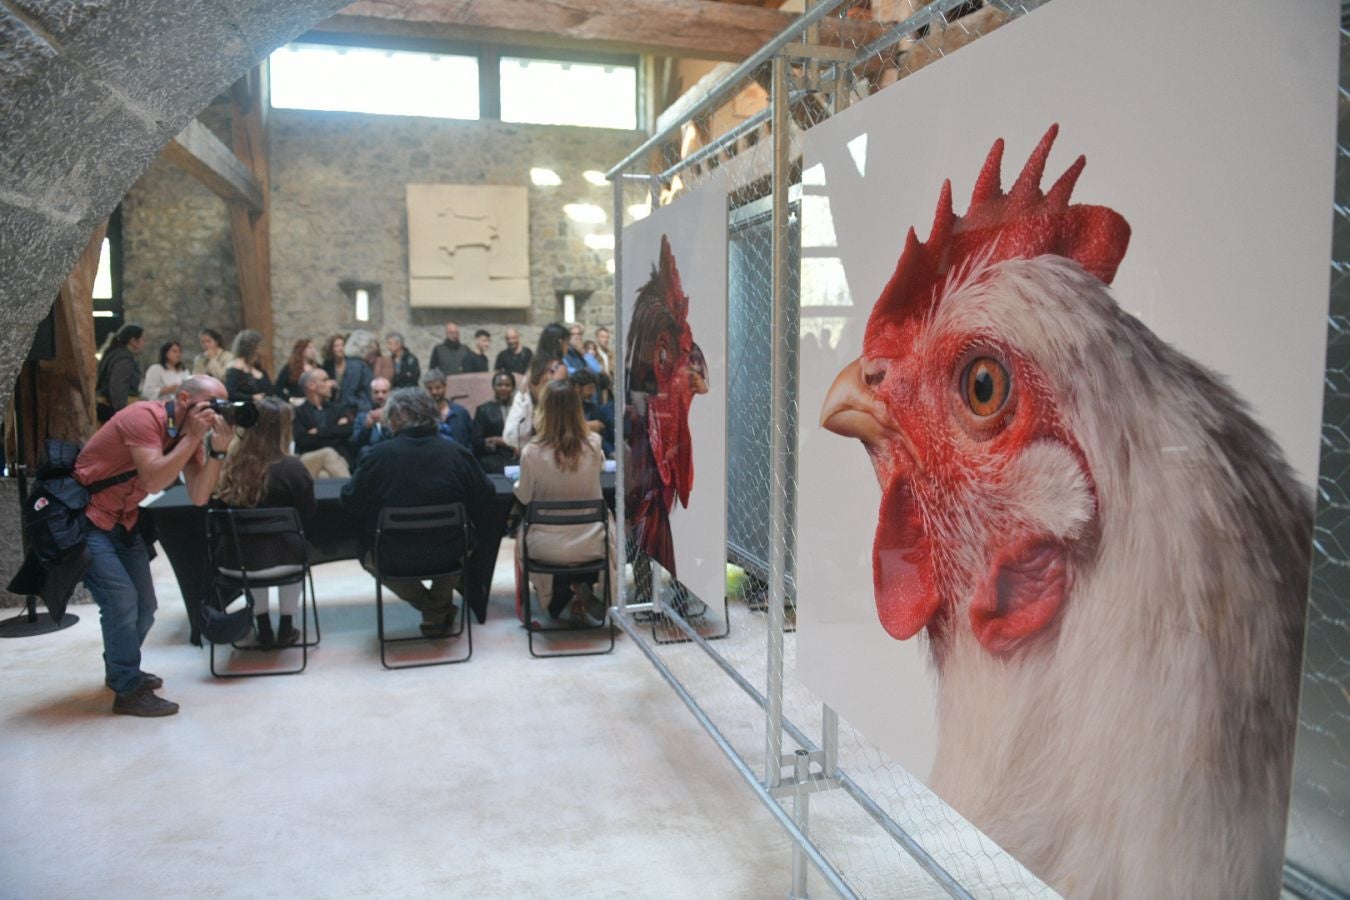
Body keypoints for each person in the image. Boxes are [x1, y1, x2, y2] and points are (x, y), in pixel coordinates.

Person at [76, 374, 232, 716]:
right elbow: (152, 479)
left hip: (124, 522)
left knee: (145, 607)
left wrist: (217, 450)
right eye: (210, 405)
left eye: (221, 407)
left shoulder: (187, 435)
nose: (215, 414)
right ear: (184, 399)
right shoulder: (143, 418)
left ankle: (121, 670)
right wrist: (193, 438)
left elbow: (199, 495)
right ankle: (127, 688)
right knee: (121, 600)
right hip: (88, 520)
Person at [340, 388, 495, 637]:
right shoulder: (457, 454)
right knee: (466, 545)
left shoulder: (377, 456)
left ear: (397, 417)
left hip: (392, 553)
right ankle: (437, 610)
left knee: (368, 555)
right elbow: (486, 496)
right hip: (450, 550)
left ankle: (433, 610)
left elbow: (350, 500)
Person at [211, 398, 315, 650]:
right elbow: (307, 516)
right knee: (291, 547)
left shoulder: (231, 466)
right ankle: (287, 626)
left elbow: (217, 512)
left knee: (252, 551)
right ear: (284, 429)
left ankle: (263, 625)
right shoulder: (292, 468)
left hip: (235, 564)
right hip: (286, 563)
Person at [515, 379, 613, 626]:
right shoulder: (594, 444)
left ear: (544, 410)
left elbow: (524, 496)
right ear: (577, 409)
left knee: (520, 535)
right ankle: (578, 587)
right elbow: (599, 469)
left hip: (546, 547)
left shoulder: (531, 452)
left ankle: (557, 596)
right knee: (607, 527)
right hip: (592, 542)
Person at [293, 369, 354, 472]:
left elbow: (347, 430)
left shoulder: (337, 409)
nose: (331, 384)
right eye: (325, 380)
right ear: (312, 386)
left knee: (325, 475)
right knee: (328, 452)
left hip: (337, 459)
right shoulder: (299, 412)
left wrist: (319, 431)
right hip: (311, 459)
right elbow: (303, 440)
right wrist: (335, 433)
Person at [503, 354, 567, 452]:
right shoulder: (525, 399)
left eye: (562, 384)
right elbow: (512, 438)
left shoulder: (564, 401)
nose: (557, 390)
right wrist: (523, 394)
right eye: (551, 383)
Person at [472, 370, 520, 474]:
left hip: (519, 459)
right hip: (494, 461)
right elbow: (477, 442)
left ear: (513, 387)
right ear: (494, 387)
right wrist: (497, 440)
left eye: (507, 385)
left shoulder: (521, 409)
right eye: (499, 385)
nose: (503, 388)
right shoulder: (484, 410)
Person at [95, 323, 145, 422]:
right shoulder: (123, 359)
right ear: (133, 341)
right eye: (142, 339)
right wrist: (122, 414)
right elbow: (118, 386)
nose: (144, 343)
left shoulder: (114, 353)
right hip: (114, 412)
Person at [421, 367, 472, 448]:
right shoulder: (422, 415)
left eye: (438, 388)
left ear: (445, 387)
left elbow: (469, 441)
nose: (434, 392)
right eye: (430, 389)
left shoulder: (460, 413)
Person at [570, 367, 614, 456]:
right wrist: (587, 426)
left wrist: (611, 452)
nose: (592, 392)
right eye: (589, 388)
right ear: (577, 387)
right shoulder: (565, 408)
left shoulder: (594, 410)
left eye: (594, 388)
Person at [224, 329, 274, 402]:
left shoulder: (258, 367)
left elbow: (270, 390)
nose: (261, 349)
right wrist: (252, 397)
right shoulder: (236, 367)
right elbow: (230, 393)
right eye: (258, 346)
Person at [336, 329, 377, 416]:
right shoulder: (355, 365)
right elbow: (348, 395)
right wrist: (366, 406)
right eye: (370, 346)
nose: (373, 349)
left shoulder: (359, 364)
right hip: (361, 413)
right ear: (363, 348)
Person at [351, 376, 393, 456]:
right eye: (376, 392)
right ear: (371, 394)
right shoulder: (362, 416)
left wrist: (385, 426)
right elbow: (355, 443)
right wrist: (367, 428)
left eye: (384, 392)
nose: (380, 396)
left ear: (390, 393)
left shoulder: (396, 415)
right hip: (370, 454)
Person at [274, 338, 318, 403]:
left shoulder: (318, 367)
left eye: (314, 347)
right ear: (301, 350)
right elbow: (277, 389)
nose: (313, 350)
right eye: (309, 348)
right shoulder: (290, 368)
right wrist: (290, 399)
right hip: (297, 403)